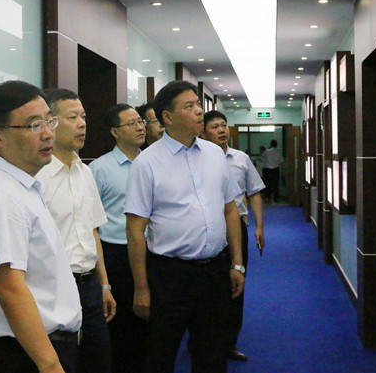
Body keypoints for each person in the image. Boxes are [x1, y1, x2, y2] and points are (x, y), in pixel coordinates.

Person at [0, 80, 82, 373]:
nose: (48, 133)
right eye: (34, 125)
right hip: (26, 355)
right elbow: (9, 288)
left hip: (40, 348)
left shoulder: (21, 186)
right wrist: (50, 365)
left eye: (49, 121)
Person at [124, 80, 245, 373]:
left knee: (212, 353)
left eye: (198, 104)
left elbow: (230, 209)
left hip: (215, 271)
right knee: (161, 353)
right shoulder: (147, 163)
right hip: (170, 275)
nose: (199, 111)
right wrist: (141, 288)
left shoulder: (215, 154)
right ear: (167, 117)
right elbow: (135, 230)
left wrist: (237, 263)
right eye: (189, 106)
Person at [36, 88, 115, 373]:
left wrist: (104, 285)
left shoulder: (86, 172)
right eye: (73, 118)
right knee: (64, 363)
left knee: (99, 362)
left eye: (84, 117)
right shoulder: (38, 178)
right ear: (50, 124)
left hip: (89, 285)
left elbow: (93, 232)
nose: (82, 124)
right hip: (54, 287)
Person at [202, 110, 266, 362]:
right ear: (203, 132)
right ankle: (202, 340)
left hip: (237, 227)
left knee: (236, 283)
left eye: (224, 125)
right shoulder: (197, 159)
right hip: (206, 227)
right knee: (207, 286)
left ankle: (229, 343)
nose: (221, 130)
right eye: (215, 126)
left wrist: (259, 226)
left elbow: (254, 192)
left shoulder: (241, 158)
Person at [89, 104, 149, 373]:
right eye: (131, 123)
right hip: (116, 254)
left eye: (141, 122)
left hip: (151, 251)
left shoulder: (153, 162)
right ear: (115, 132)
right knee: (121, 323)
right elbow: (91, 221)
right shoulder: (99, 169)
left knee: (151, 321)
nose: (140, 127)